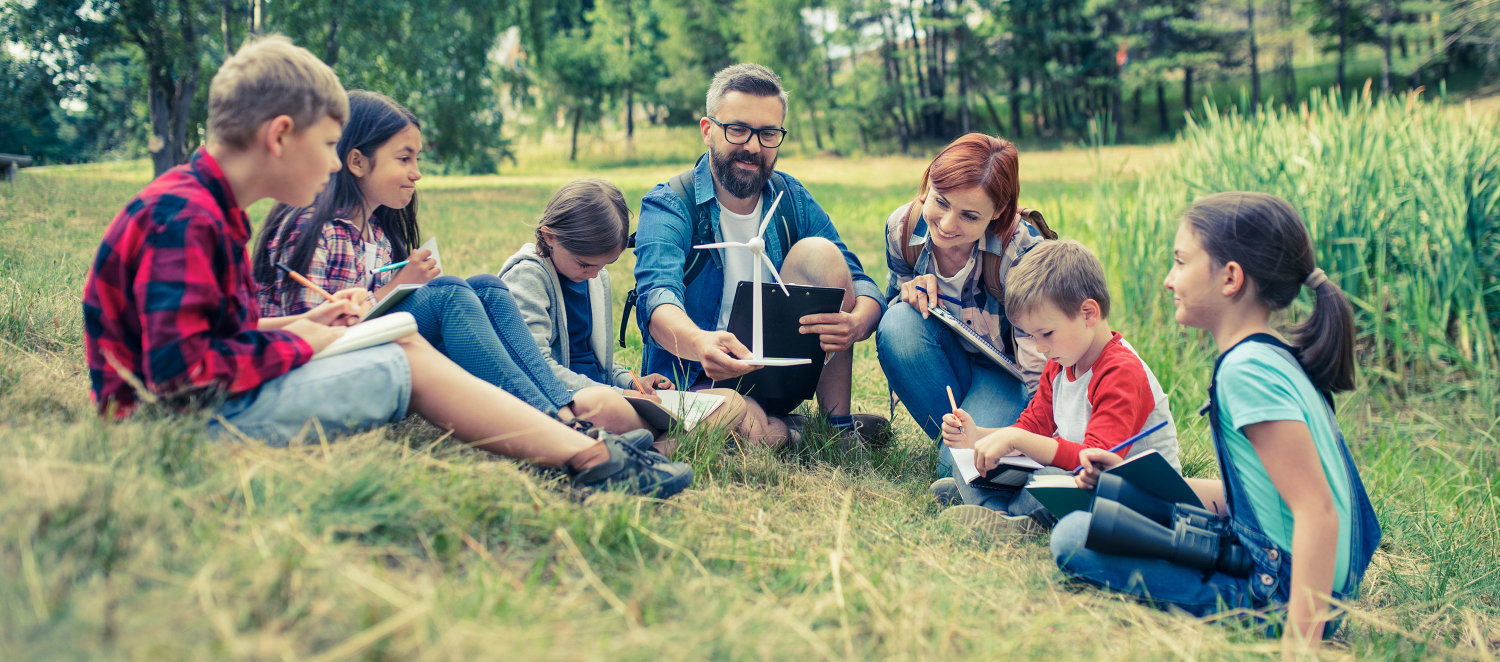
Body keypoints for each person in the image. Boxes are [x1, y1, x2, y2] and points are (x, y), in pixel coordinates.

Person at [82, 35, 690, 498]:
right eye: (325, 146)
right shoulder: (186, 218)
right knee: (399, 355)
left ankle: (580, 449)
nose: (330, 164)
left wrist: (306, 326)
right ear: (279, 136)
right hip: (175, 428)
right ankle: (584, 457)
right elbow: (180, 377)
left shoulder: (204, 208)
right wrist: (305, 343)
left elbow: (216, 338)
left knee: (400, 340)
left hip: (195, 407)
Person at [1050, 192, 1381, 653]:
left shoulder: (1247, 372)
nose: (1169, 280)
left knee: (1073, 537)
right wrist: (1141, 483)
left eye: (1181, 262)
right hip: (1293, 571)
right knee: (1115, 500)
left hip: (1281, 593)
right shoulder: (1269, 356)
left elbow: (1316, 511)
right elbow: (1264, 496)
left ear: (1230, 278)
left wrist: (1298, 645)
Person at [252, 90, 650, 438]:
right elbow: (315, 332)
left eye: (417, 158)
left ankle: (561, 407)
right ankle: (556, 424)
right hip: (312, 369)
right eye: (404, 159)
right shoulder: (317, 229)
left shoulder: (372, 232)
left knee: (486, 287)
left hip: (366, 347)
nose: (417, 173)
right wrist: (396, 287)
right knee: (447, 296)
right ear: (357, 162)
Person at [630, 63, 888, 447]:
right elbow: (657, 299)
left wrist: (857, 323)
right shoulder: (671, 203)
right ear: (708, 130)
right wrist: (701, 343)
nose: (753, 146)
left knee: (822, 253)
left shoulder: (790, 197)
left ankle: (837, 428)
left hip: (778, 375)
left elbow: (858, 279)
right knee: (751, 426)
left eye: (768, 134)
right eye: (738, 129)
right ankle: (785, 430)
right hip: (694, 379)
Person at [500, 179, 768, 448]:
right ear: (549, 237)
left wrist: (633, 382)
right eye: (585, 264)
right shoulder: (528, 277)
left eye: (605, 264)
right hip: (567, 400)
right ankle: (668, 444)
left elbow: (596, 363)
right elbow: (535, 368)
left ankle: (654, 452)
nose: (594, 273)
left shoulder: (593, 278)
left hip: (610, 395)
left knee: (730, 403)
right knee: (605, 407)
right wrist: (618, 392)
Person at [937, 240, 1180, 531]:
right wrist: (977, 437)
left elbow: (1097, 464)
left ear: (1088, 313)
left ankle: (1003, 514)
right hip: (1078, 477)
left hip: (1130, 497)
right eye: (1031, 336)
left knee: (1052, 478)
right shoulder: (1063, 361)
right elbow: (1033, 426)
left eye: (1047, 333)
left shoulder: (1121, 372)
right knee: (971, 463)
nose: (1040, 348)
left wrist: (1016, 441)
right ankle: (1001, 511)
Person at [875, 133, 1056, 477]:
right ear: (929, 182)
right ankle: (960, 450)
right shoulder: (902, 227)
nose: (946, 224)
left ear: (998, 211)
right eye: (940, 202)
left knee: (957, 472)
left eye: (969, 216)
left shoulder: (1021, 250)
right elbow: (891, 311)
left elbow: (1042, 361)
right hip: (944, 360)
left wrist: (1047, 441)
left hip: (1008, 376)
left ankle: (964, 457)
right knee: (898, 320)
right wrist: (908, 294)